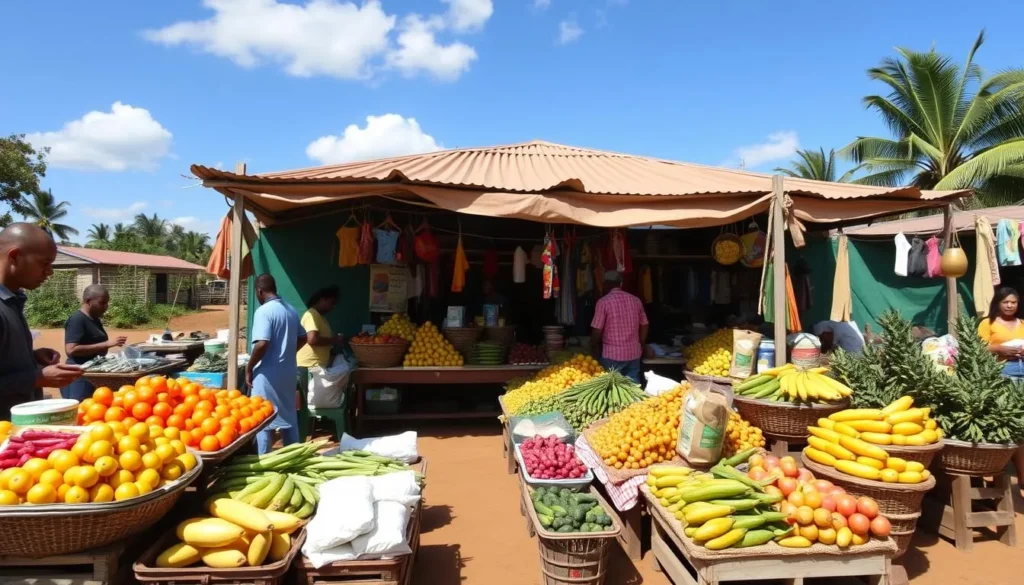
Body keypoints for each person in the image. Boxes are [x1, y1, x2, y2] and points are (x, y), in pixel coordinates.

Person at [0, 223, 83, 419]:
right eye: (44, 263)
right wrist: (36, 377)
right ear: (14, 256)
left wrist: (31, 357)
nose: (50, 272)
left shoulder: (12, 301)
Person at [246, 274, 306, 454]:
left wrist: (249, 368)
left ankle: (263, 460)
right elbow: (303, 338)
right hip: (288, 373)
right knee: (289, 416)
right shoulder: (290, 310)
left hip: (267, 375)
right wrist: (287, 352)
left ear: (259, 291)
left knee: (263, 418)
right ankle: (294, 458)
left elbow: (262, 343)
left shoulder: (264, 311)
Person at [976, 286, 1024, 491]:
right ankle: (997, 477)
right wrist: (1000, 349)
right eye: (1006, 302)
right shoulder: (988, 323)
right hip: (1002, 372)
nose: (1010, 305)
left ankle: (1022, 476)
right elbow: (978, 347)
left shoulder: (1022, 323)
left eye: (1013, 302)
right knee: (1004, 423)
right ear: (997, 303)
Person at [62, 284, 127, 400]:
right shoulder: (77, 319)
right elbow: (71, 350)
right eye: (102, 303)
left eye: (107, 303)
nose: (106, 307)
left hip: (91, 372)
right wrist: (106, 344)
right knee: (81, 409)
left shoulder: (94, 319)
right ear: (88, 301)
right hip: (80, 374)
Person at [590, 271, 648, 383]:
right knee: (633, 389)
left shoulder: (603, 302)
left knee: (612, 390)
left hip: (612, 355)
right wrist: (642, 343)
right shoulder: (636, 300)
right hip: (633, 353)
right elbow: (645, 324)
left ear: (605, 284)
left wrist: (593, 346)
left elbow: (597, 329)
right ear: (620, 283)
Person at [297, 285, 345, 375]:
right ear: (322, 300)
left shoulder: (321, 317)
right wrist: (335, 340)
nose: (333, 307)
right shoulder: (312, 315)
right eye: (332, 303)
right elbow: (312, 339)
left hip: (316, 366)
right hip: (309, 367)